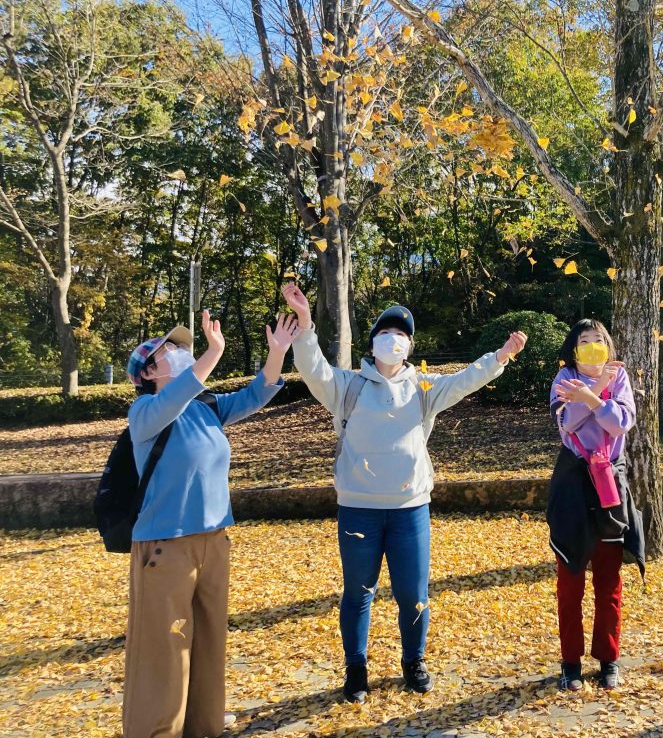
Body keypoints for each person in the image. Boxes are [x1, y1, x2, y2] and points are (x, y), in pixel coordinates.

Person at [281, 282, 527, 703]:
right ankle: (356, 668)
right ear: (373, 341)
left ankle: (414, 662)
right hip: (358, 509)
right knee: (358, 592)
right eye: (385, 331)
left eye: (401, 334)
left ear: (409, 346)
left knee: (414, 594)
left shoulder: (423, 388)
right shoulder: (347, 386)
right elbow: (313, 368)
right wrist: (305, 323)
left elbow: (465, 380)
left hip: (410, 509)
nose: (392, 338)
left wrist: (500, 357)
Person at [122, 310, 297, 738]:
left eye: (184, 348)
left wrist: (276, 354)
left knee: (207, 641)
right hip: (166, 548)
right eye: (171, 350)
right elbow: (175, 395)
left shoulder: (206, 409)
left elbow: (257, 393)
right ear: (147, 372)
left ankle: (203, 728)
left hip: (214, 540)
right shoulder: (144, 411)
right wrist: (212, 353)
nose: (182, 353)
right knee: (164, 648)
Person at [547, 318, 645, 692]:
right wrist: (596, 392)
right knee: (570, 581)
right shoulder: (563, 379)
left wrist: (590, 396)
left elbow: (620, 423)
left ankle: (609, 659)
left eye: (599, 340)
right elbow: (568, 423)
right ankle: (570, 662)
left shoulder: (620, 377)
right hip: (573, 486)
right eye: (585, 341)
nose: (593, 346)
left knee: (609, 579)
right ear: (574, 349)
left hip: (609, 487)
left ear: (608, 345)